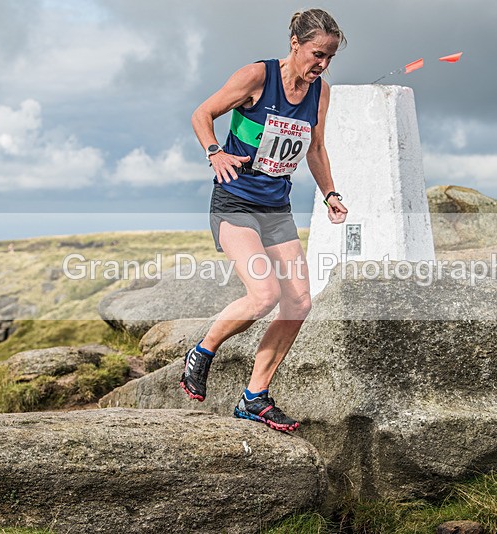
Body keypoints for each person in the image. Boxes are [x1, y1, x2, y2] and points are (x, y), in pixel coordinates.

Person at [182, 8, 348, 432]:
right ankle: (203, 351)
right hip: (235, 201)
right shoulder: (257, 76)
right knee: (263, 295)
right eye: (316, 54)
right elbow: (202, 113)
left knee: (299, 303)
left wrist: (330, 193)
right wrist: (214, 152)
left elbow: (314, 149)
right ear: (295, 43)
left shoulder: (319, 92)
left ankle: (254, 397)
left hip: (276, 208)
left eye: (329, 57)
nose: (321, 64)